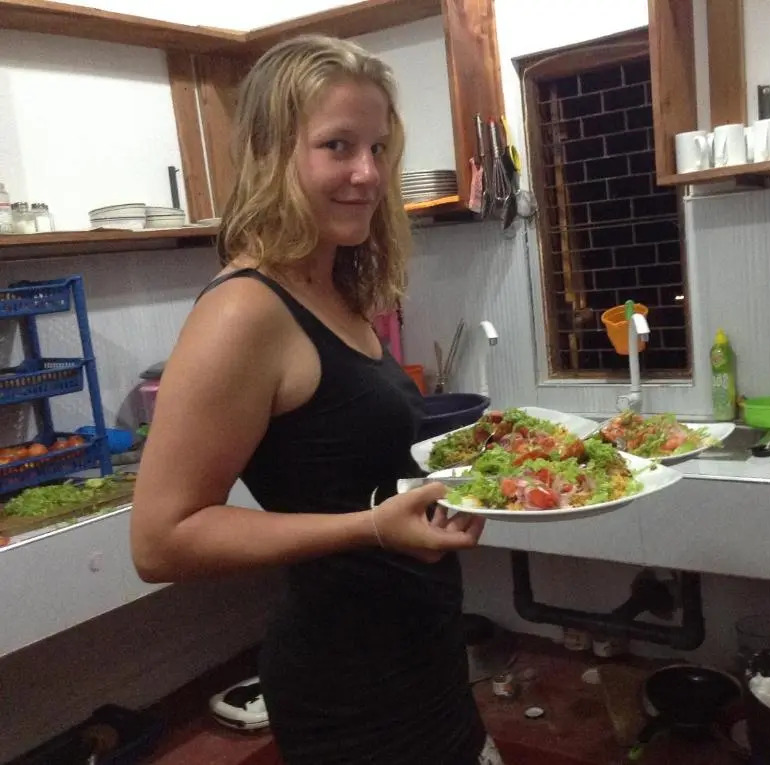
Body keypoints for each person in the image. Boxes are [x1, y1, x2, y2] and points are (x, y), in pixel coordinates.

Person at [130, 34, 502, 765]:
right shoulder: (244, 310)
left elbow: (350, 466)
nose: (368, 173)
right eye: (337, 145)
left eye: (378, 147)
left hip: (420, 660)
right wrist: (370, 527)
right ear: (271, 154)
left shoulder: (334, 291)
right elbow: (160, 540)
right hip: (351, 690)